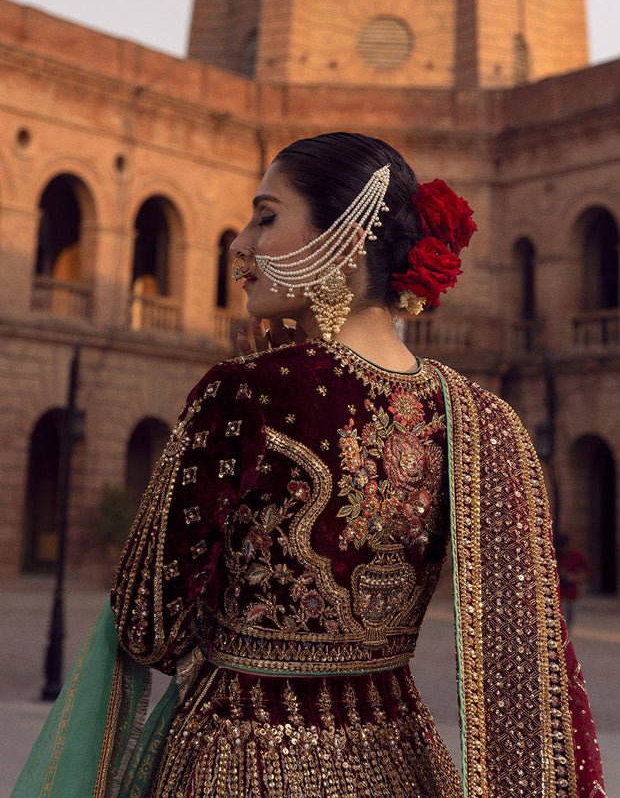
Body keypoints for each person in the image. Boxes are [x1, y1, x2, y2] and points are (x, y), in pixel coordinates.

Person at [13, 132, 605, 797]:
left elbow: (149, 625)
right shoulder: (480, 419)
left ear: (347, 241)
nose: (241, 244)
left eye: (267, 217)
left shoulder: (250, 393)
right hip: (403, 762)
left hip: (240, 758)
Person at [557, 533, 593, 630]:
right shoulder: (558, 556)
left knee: (570, 622)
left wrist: (575, 578)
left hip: (573, 594)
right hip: (561, 595)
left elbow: (587, 572)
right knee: (562, 622)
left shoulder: (577, 555)